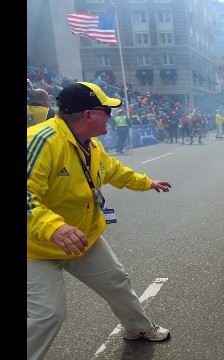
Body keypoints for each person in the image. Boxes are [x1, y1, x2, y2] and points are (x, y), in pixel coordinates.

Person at [27, 82, 172, 360]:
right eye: (107, 110)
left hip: (83, 237)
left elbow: (115, 171)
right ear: (88, 115)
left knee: (117, 281)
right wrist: (53, 227)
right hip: (35, 248)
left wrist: (147, 183)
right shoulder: (42, 140)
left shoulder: (91, 145)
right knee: (48, 315)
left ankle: (137, 328)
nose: (112, 116)